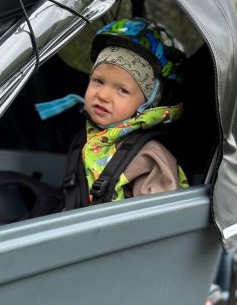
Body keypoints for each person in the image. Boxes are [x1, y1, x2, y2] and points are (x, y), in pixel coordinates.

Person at [36, 18, 185, 204]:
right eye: (98, 81)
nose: (103, 95)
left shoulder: (149, 157)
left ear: (150, 103)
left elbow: (155, 224)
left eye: (122, 90)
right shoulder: (84, 140)